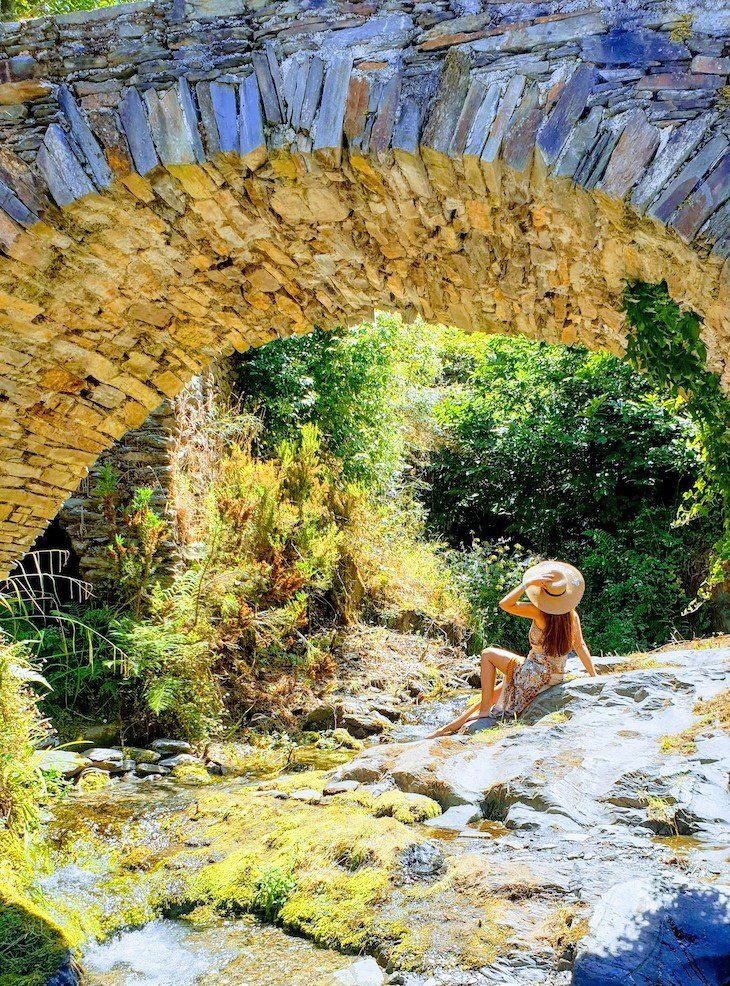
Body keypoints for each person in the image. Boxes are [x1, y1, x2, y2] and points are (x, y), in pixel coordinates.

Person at [428, 561, 596, 738]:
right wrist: (594, 677)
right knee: (496, 692)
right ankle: (447, 728)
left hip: (535, 673)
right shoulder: (572, 615)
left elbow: (505, 604)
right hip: (554, 676)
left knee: (487, 654)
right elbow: (580, 646)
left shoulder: (539, 612)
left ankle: (484, 712)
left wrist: (526, 584)